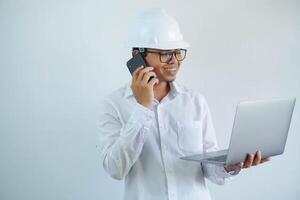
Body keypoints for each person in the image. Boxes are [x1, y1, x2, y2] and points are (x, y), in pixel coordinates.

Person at [96, 8, 271, 200]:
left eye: (177, 52)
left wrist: (231, 165)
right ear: (137, 54)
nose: (174, 61)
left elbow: (208, 167)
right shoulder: (113, 104)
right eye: (164, 53)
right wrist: (142, 108)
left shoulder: (195, 101)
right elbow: (115, 169)